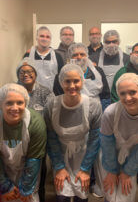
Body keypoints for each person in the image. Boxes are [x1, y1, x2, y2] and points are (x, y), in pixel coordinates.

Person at [100, 73, 138, 202]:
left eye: (133, 92)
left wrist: (127, 172)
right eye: (122, 94)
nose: (128, 98)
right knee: (110, 193)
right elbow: (107, 144)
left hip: (133, 157)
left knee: (125, 194)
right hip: (108, 155)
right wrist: (112, 171)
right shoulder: (110, 113)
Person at [0, 83, 47, 202]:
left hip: (29, 169)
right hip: (3, 169)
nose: (15, 108)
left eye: (20, 103)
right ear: (0, 105)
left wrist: (26, 188)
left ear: (26, 103)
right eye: (9, 103)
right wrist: (5, 187)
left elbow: (34, 159)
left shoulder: (35, 123)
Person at [44, 64, 102, 202]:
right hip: (59, 154)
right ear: (61, 82)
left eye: (76, 81)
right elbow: (51, 138)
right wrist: (59, 167)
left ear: (82, 81)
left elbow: (95, 140)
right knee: (62, 197)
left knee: (81, 196)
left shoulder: (93, 106)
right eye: (67, 81)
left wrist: (85, 169)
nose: (72, 86)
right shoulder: (51, 105)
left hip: (84, 155)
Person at [16, 59, 52, 202]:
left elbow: (51, 115)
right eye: (22, 72)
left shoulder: (45, 91)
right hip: (18, 140)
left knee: (39, 173)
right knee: (18, 173)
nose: (26, 74)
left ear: (35, 74)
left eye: (30, 71)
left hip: (39, 142)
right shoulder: (13, 90)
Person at [53, 43, 110, 111]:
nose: (79, 57)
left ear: (87, 56)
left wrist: (102, 112)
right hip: (70, 112)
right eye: (75, 55)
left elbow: (105, 97)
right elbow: (59, 98)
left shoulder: (98, 72)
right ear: (70, 58)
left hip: (95, 112)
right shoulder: (61, 75)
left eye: (82, 54)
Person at [23, 26, 64, 91]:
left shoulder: (57, 57)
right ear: (37, 38)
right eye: (42, 36)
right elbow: (22, 76)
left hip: (52, 95)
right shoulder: (28, 55)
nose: (45, 39)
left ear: (50, 39)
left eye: (48, 37)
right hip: (32, 94)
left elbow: (61, 78)